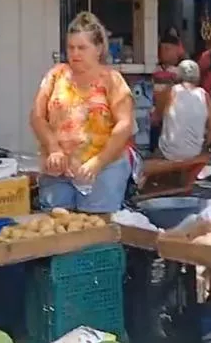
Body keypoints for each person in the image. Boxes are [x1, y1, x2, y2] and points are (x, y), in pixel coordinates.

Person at [30, 12, 136, 213]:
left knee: (96, 229)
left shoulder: (112, 80)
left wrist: (99, 161)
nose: (75, 53)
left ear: (98, 49)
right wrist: (53, 147)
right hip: (57, 171)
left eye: (82, 48)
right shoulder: (55, 75)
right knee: (57, 228)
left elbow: (124, 125)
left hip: (103, 170)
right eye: (71, 47)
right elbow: (36, 116)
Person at [157, 60, 211, 161]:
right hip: (194, 152)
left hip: (168, 153)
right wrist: (204, 146)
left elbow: (156, 118)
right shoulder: (203, 95)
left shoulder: (171, 91)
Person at [151, 34, 185, 151]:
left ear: (177, 50)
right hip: (154, 115)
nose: (163, 52)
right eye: (161, 49)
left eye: (167, 49)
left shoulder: (182, 71)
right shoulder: (153, 69)